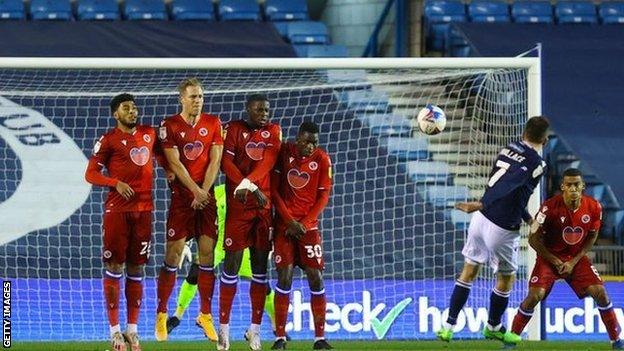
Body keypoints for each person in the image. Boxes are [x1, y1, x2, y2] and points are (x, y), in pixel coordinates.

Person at [436, 116, 550, 344]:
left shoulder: (508, 148)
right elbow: (508, 187)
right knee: (506, 279)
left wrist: (527, 218)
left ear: (523, 132)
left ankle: (448, 326)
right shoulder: (538, 164)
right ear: (545, 140)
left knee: (468, 271)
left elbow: (509, 190)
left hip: (480, 221)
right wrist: (481, 203)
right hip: (502, 227)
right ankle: (493, 326)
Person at [506, 168, 623, 349]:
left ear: (583, 186)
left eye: (577, 184)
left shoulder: (594, 207)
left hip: (575, 259)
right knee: (534, 296)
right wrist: (555, 260)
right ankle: (511, 339)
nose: (573, 188)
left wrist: (573, 261)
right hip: (549, 257)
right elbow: (533, 239)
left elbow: (592, 236)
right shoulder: (549, 207)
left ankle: (616, 340)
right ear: (563, 187)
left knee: (601, 293)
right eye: (569, 185)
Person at [85, 93, 164, 351]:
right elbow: (90, 173)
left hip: (144, 212)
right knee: (114, 267)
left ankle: (133, 331)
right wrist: (115, 183)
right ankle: (115, 332)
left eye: (134, 107)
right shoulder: (108, 140)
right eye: (126, 107)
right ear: (115, 114)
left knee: (137, 270)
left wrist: (172, 172)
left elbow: (165, 156)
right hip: (117, 213)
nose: (133, 111)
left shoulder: (150, 134)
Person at [166, 184, 290, 341]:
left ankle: (275, 326)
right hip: (217, 244)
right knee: (195, 273)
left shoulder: (252, 194)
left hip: (241, 246)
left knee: (262, 286)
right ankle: (177, 316)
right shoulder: (218, 192)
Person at [155, 78, 223, 342]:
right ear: (181, 98)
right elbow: (175, 162)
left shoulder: (213, 123)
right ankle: (161, 314)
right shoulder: (169, 125)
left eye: (201, 96)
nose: (198, 100)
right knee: (172, 257)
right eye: (193, 96)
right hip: (183, 200)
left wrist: (203, 192)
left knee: (206, 258)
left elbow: (215, 160)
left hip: (205, 200)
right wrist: (195, 191)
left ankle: (205, 315)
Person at [217, 94, 282, 351]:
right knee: (230, 266)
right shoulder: (233, 129)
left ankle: (255, 330)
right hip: (238, 207)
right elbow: (225, 162)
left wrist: (249, 184)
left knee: (260, 271)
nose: (264, 113)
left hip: (262, 209)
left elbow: (269, 162)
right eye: (259, 109)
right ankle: (224, 330)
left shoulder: (274, 131)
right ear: (248, 110)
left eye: (267, 109)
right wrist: (248, 187)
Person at [270, 121, 333, 350]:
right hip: (284, 227)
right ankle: (279, 338)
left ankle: (320, 338)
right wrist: (289, 221)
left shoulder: (323, 160)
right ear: (297, 138)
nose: (310, 146)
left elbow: (323, 197)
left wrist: (303, 224)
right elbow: (274, 190)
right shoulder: (284, 152)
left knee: (316, 277)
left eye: (314, 142)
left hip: (308, 229)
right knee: (284, 276)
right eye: (306, 141)